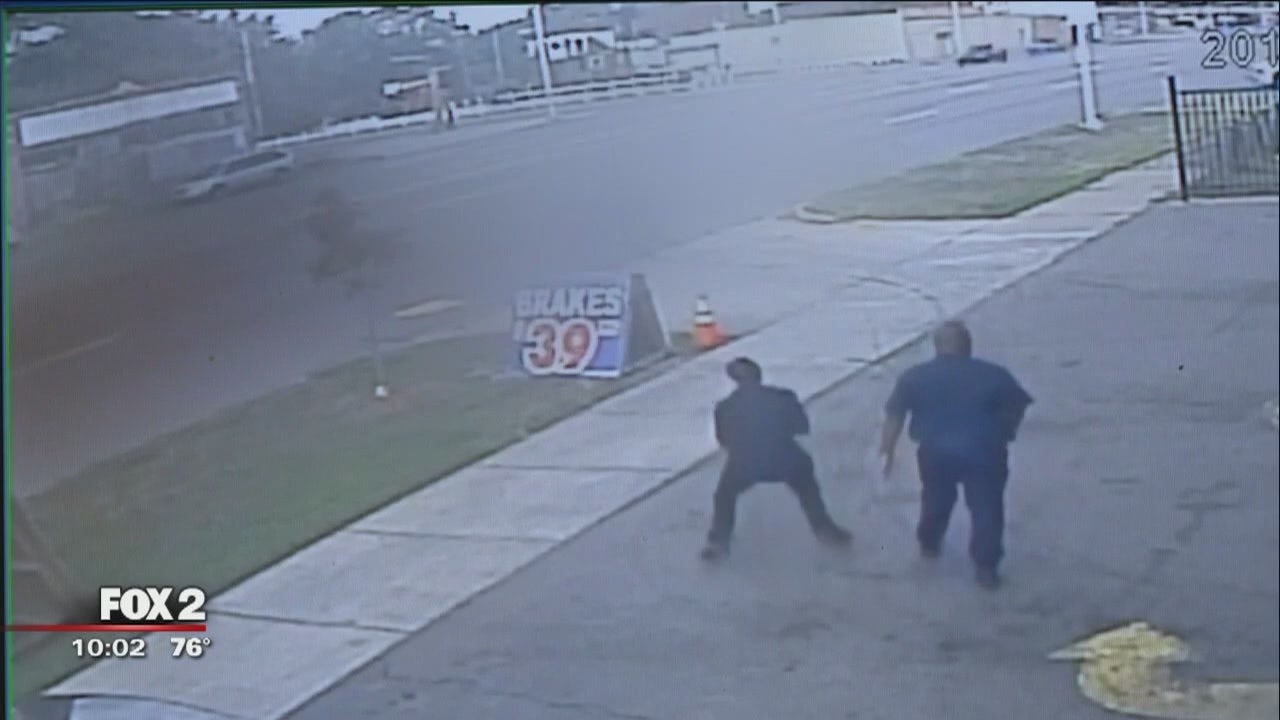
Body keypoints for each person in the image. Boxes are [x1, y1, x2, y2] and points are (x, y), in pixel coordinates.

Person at [878, 320, 1032, 590]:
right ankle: (986, 571)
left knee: (936, 501)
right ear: (968, 346)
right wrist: (1006, 432)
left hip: (936, 453)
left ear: (937, 347)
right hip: (985, 452)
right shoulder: (994, 374)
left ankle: (929, 548)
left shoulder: (914, 376)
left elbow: (895, 416)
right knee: (986, 509)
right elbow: (1017, 406)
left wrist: (887, 451)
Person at [701, 357, 853, 562]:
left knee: (724, 495)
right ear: (760, 374)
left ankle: (719, 540)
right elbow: (801, 427)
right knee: (807, 487)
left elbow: (724, 440)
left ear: (733, 379)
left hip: (745, 463)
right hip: (785, 457)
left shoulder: (725, 407)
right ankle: (824, 528)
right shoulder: (784, 397)